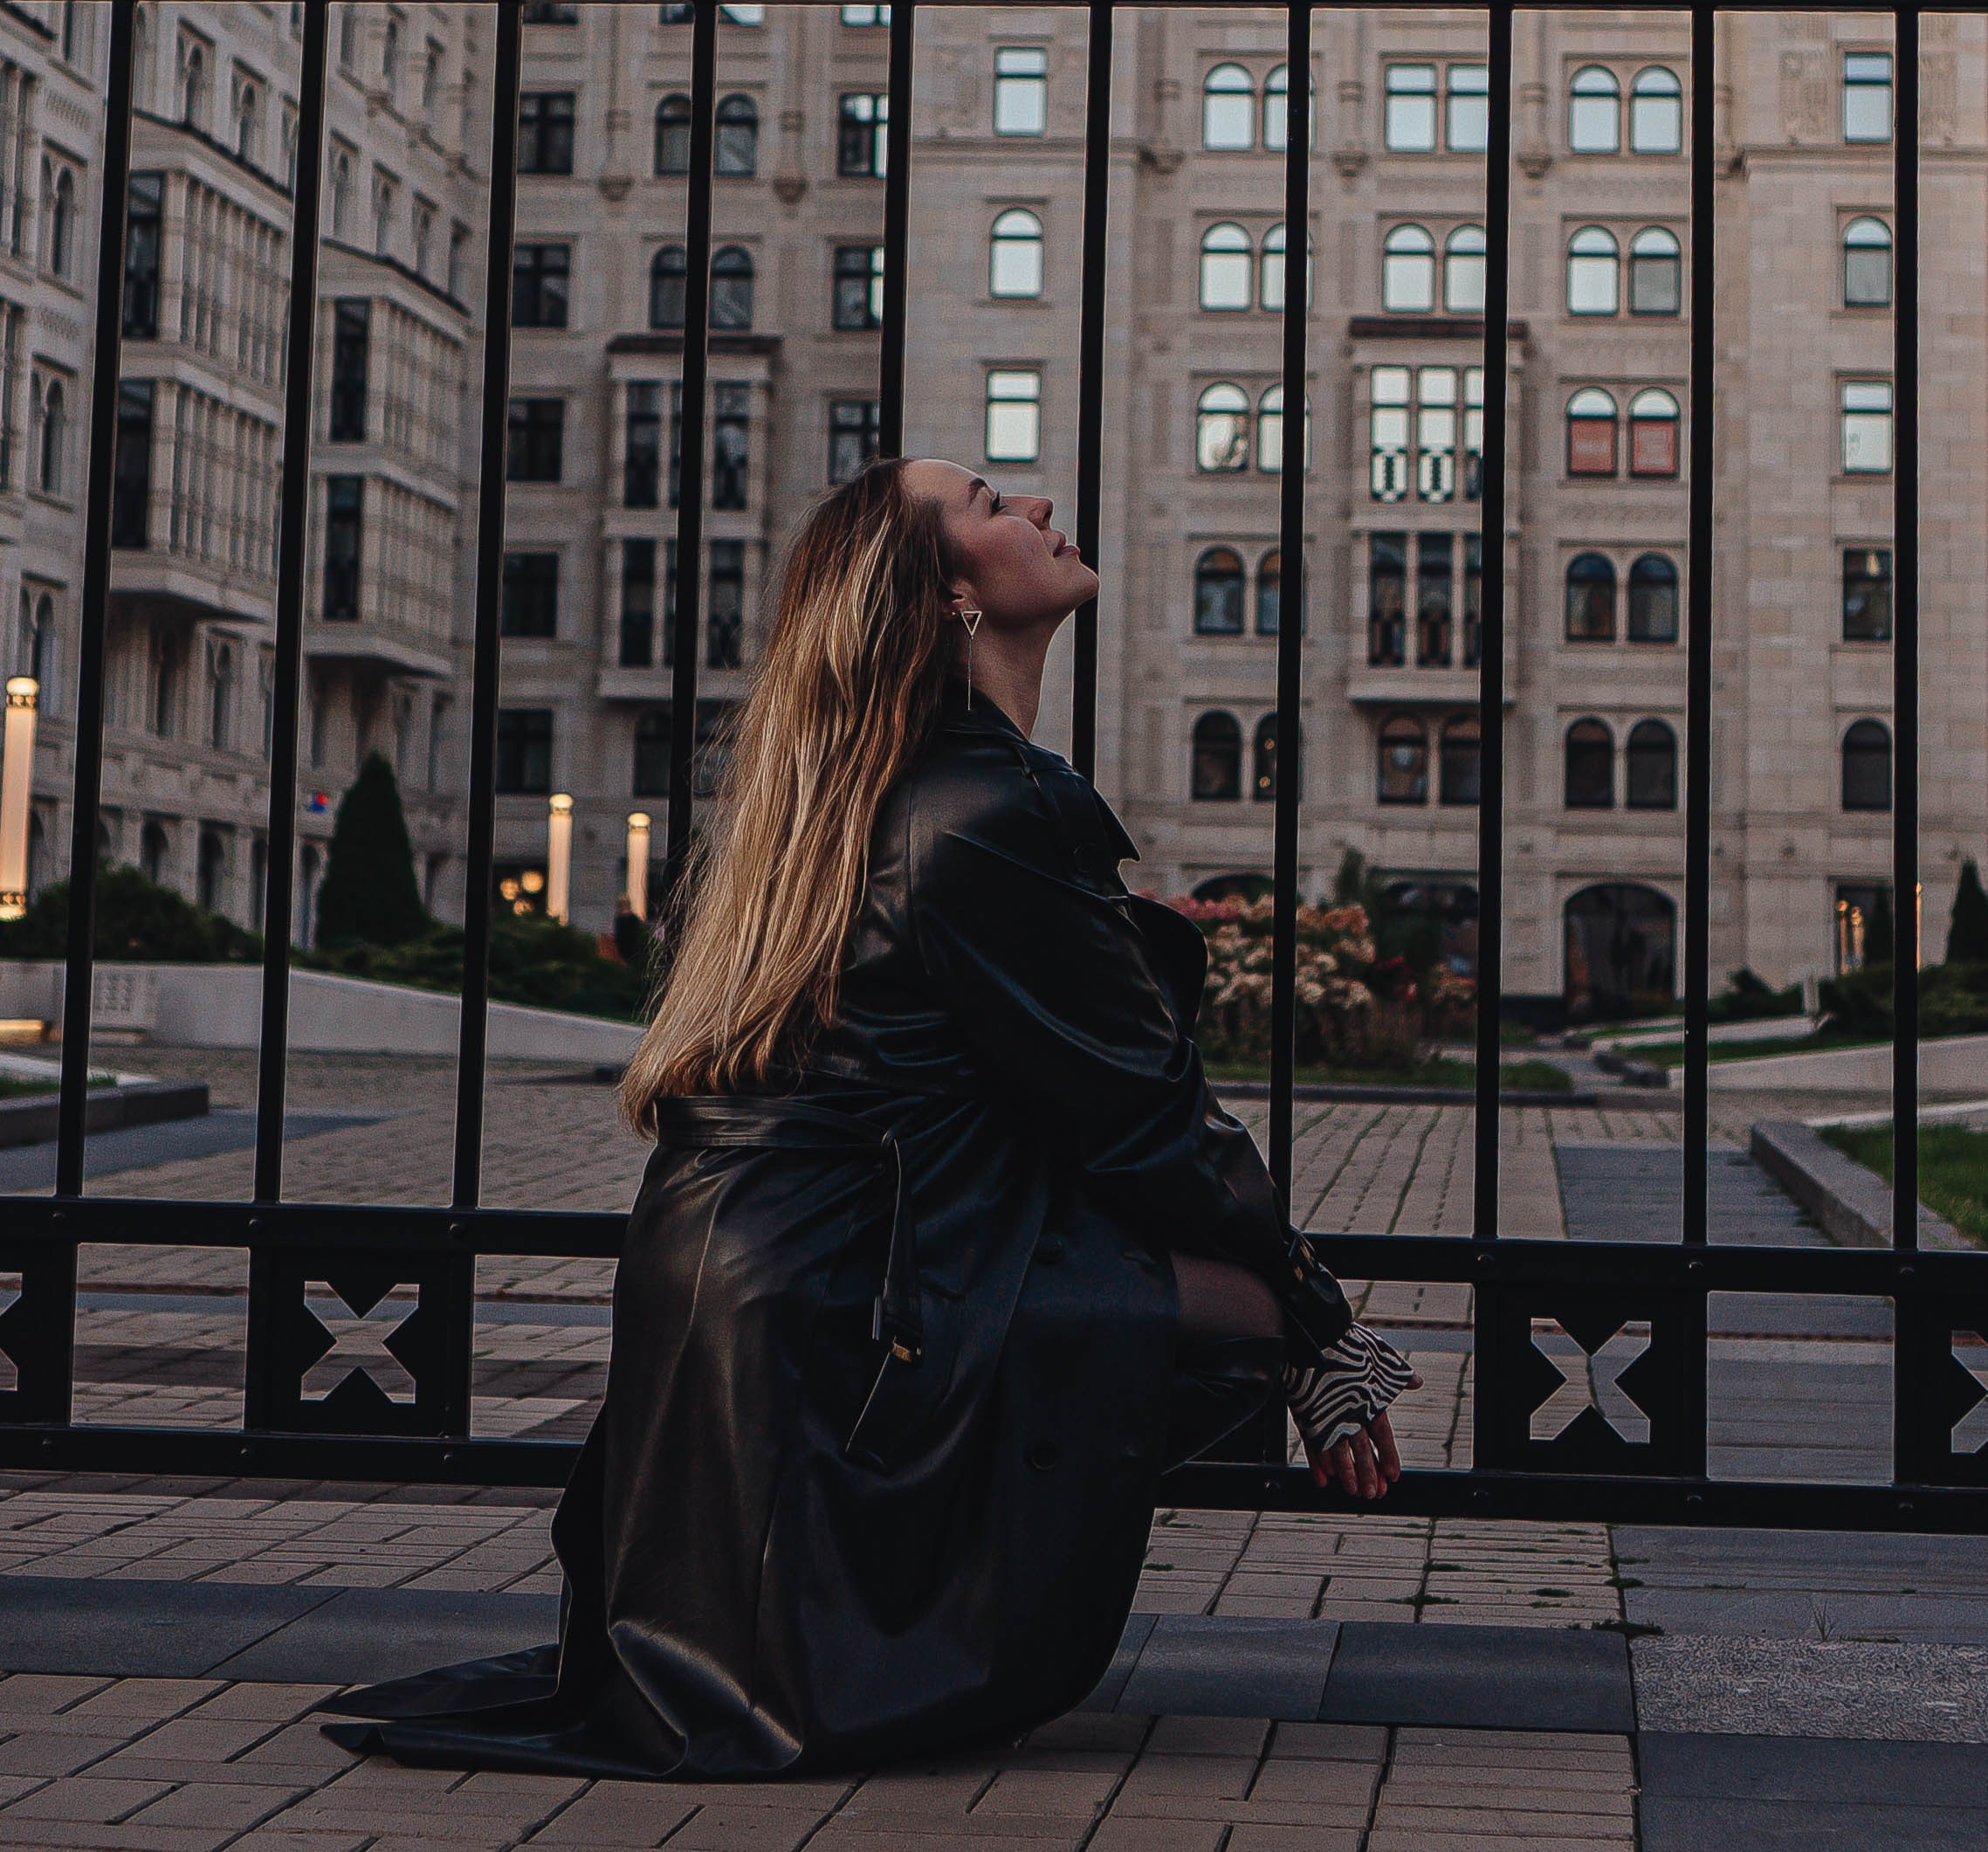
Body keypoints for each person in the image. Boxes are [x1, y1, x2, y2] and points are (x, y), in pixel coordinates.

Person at [324, 458, 1415, 1780]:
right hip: (846, 1286)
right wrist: (1318, 1316)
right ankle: (946, 1612)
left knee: (1215, 1305)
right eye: (991, 505)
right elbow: (1142, 1116)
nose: (1038, 510)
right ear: (948, 592)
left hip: (761, 1277)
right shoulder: (983, 805)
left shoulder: (863, 788)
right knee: (1237, 1314)